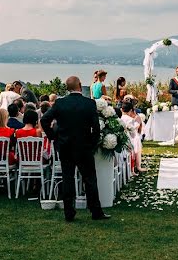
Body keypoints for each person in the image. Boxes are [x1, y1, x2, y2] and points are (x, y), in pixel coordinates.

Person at [40, 76, 109, 222]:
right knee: (89, 179)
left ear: (67, 87)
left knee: (67, 179)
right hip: (84, 146)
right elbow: (96, 128)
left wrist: (54, 137)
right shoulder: (89, 103)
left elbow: (44, 120)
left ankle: (69, 213)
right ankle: (95, 211)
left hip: (65, 146)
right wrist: (92, 143)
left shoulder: (60, 103)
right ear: (79, 85)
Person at [120, 98, 146, 172]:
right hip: (132, 138)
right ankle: (137, 167)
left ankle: (132, 169)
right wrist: (138, 122)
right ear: (131, 110)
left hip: (125, 139)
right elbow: (134, 128)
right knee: (136, 152)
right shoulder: (130, 119)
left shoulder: (121, 118)